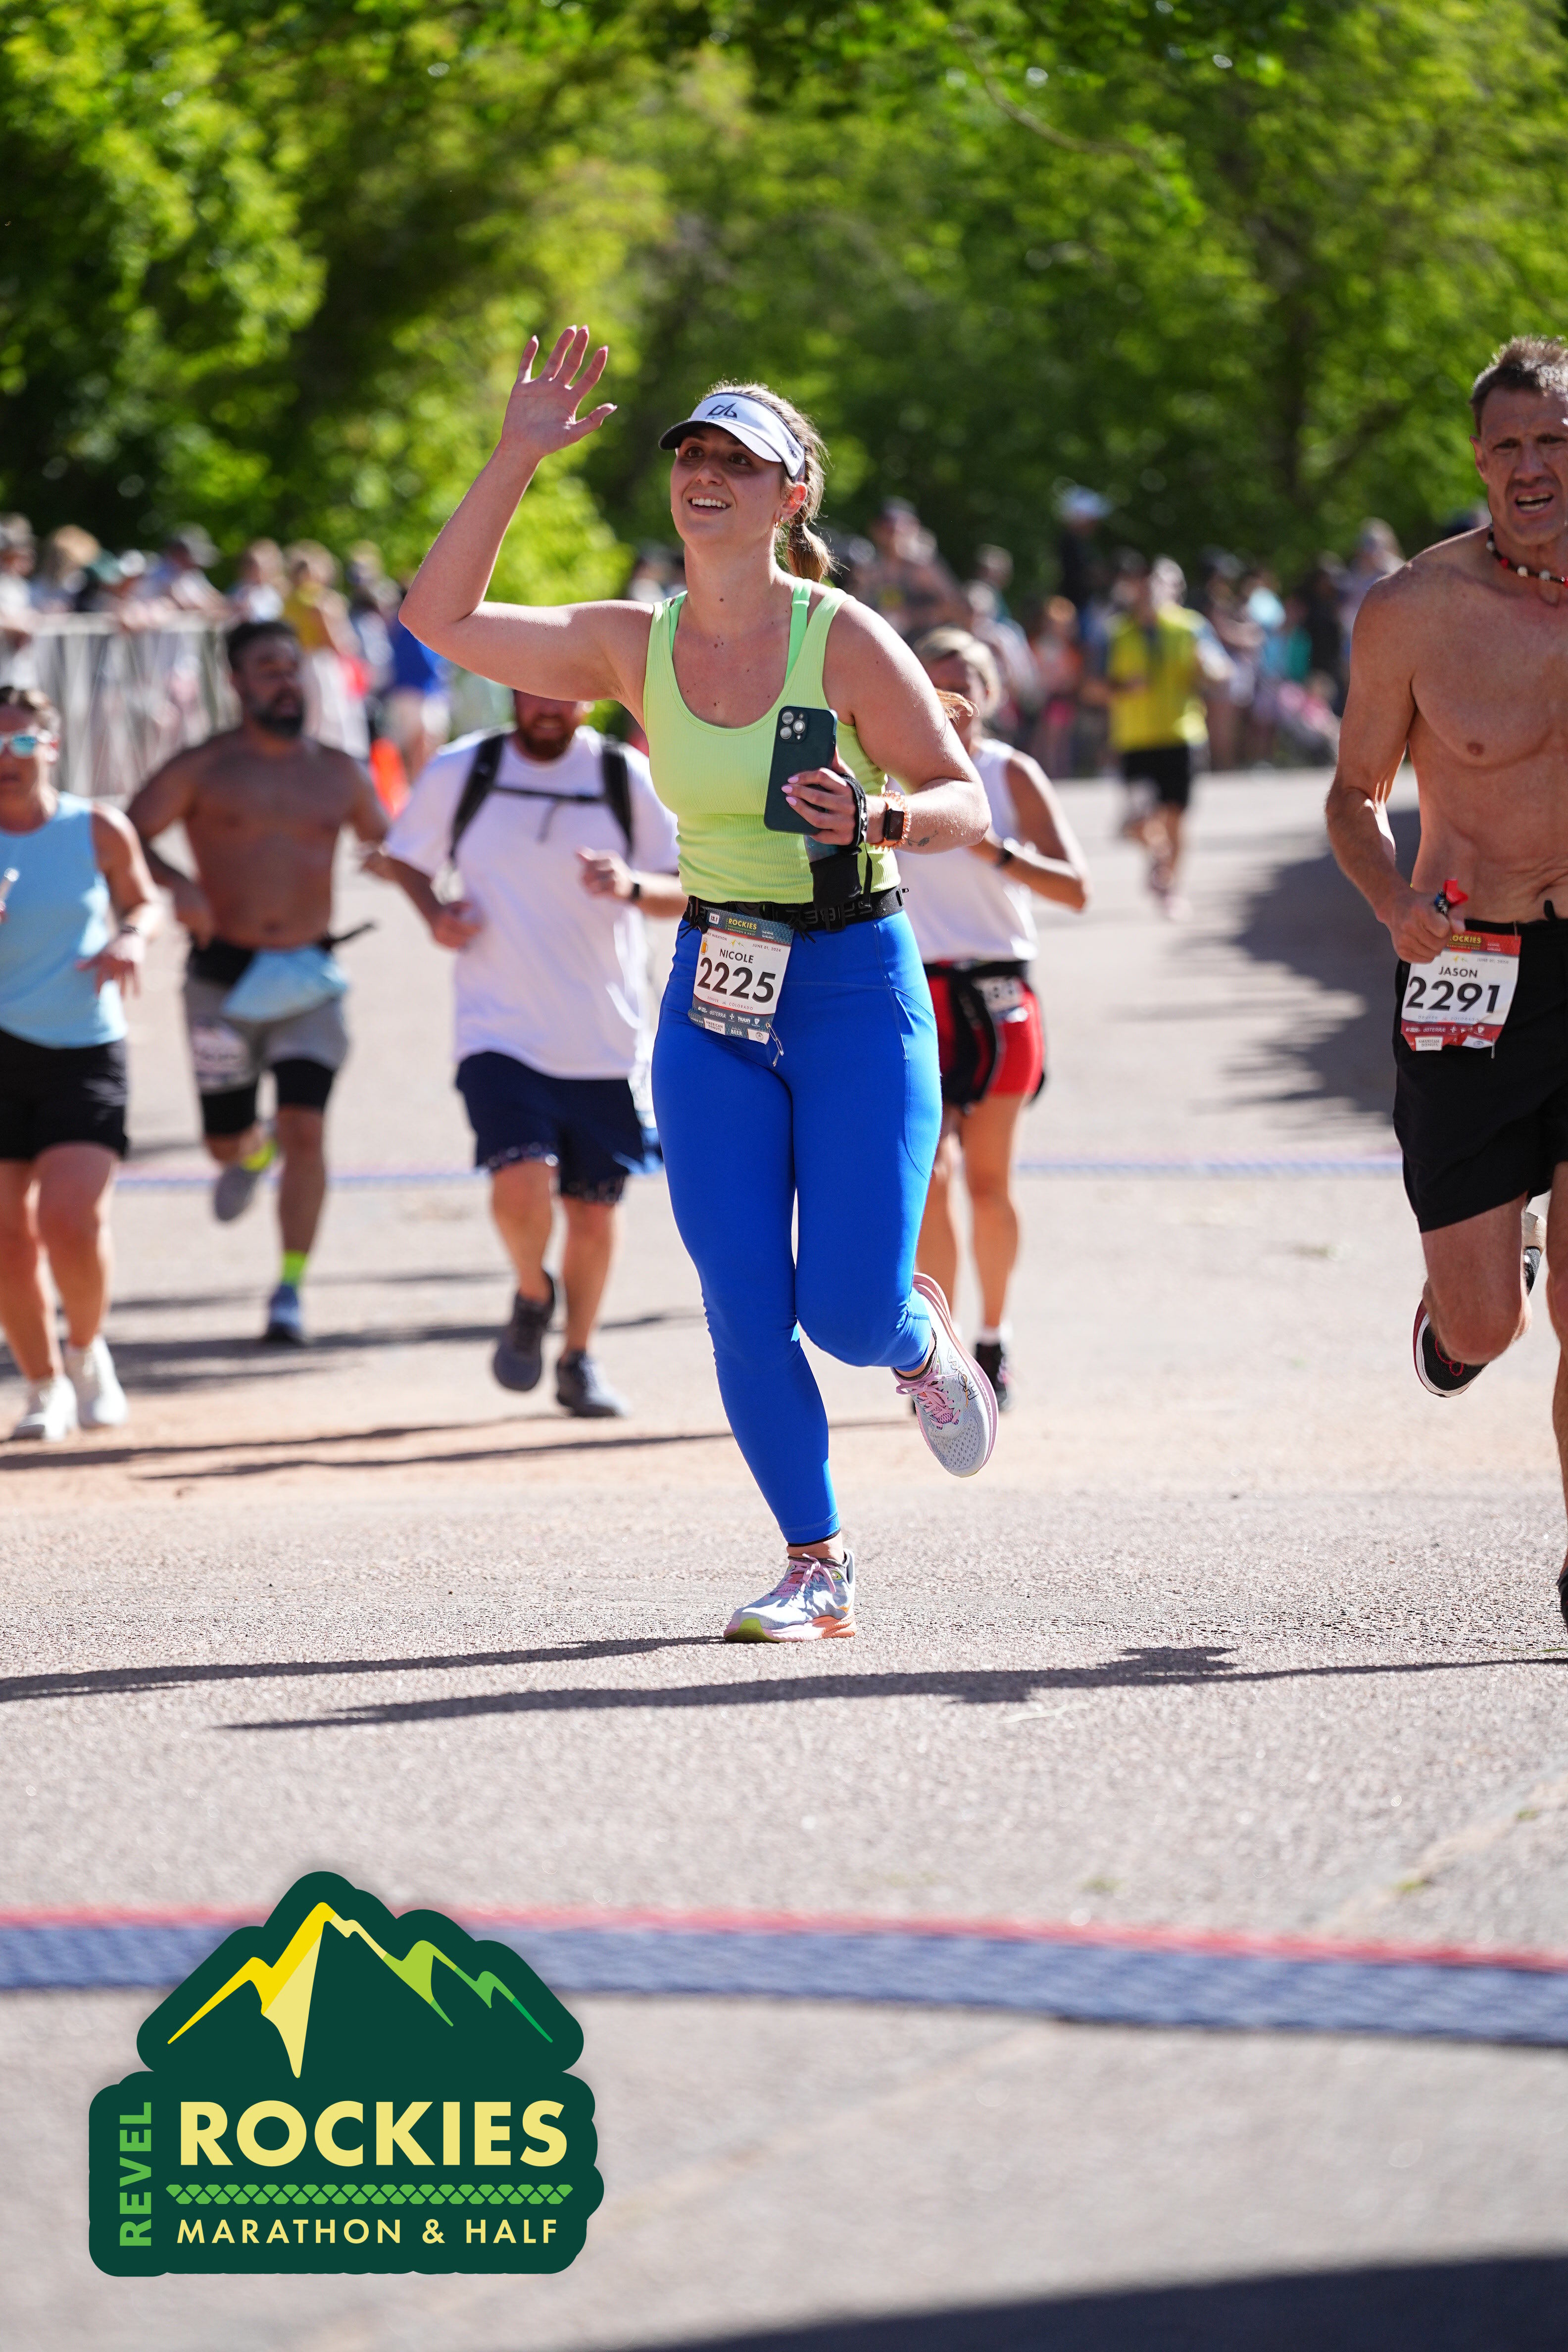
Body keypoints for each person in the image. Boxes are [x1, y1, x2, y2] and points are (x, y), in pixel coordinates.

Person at [401, 329, 996, 1641]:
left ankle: (912, 1338)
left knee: (846, 1310)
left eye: (741, 460)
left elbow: (964, 797)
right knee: (744, 1303)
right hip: (716, 995)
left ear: (793, 496)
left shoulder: (844, 639)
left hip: (854, 981)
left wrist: (882, 820)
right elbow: (436, 621)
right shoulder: (633, 643)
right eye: (693, 455)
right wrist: (516, 457)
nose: (706, 475)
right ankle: (815, 1563)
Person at [1324, 333, 1568, 1630]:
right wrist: (1393, 903)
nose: (1532, 466)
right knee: (1486, 1335)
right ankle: (1468, 1303)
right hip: (1469, 960)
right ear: (1479, 460)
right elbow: (1354, 795)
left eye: (1555, 441)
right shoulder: (1415, 608)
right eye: (1509, 445)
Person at [377, 688, 684, 1415]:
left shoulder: (622, 776)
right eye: (532, 693)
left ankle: (579, 1357)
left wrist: (631, 886)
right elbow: (405, 856)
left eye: (563, 696)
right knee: (521, 1177)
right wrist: (434, 914)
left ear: (589, 700)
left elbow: (690, 887)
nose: (547, 707)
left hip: (605, 1037)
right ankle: (532, 1288)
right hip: (498, 1029)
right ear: (512, 692)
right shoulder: (466, 768)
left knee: (593, 1213)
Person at [127, 619, 387, 1343]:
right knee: (223, 1142)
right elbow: (124, 835)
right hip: (222, 977)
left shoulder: (338, 772)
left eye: (292, 668)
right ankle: (249, 1149)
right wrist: (177, 885)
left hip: (308, 977)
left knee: (308, 1128)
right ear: (237, 683)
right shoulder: (204, 768)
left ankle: (290, 1288)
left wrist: (416, 874)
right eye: (268, 669)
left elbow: (394, 842)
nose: (285, 682)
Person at [904, 629, 1090, 1409]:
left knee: (987, 1183)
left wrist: (996, 853)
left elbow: (1076, 887)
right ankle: (938, 1350)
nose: (954, 702)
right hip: (915, 995)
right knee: (929, 1178)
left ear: (993, 693)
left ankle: (994, 1334)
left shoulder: (1009, 774)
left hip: (999, 993)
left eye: (968, 684)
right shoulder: (892, 775)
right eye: (936, 685)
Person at [0, 686, 159, 1438]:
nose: (6, 758)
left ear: (51, 747)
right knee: (7, 1239)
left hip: (83, 1045)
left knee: (72, 1221)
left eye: (22, 742)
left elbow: (144, 902)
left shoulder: (95, 827)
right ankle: (43, 1387)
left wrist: (130, 937)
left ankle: (88, 1352)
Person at [1086, 554, 1209, 917]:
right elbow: (1091, 689)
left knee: (1175, 818)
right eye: (1145, 582)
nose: (1152, 589)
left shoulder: (1192, 627)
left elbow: (1221, 671)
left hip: (1182, 734)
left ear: (1175, 589)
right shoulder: (1115, 633)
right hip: (1135, 740)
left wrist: (1210, 670)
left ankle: (1171, 889)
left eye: (1161, 582)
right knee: (1137, 822)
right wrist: (1123, 688)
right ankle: (1159, 857)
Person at [384, 596, 452, 782]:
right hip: (419, 696)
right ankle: (420, 788)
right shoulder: (415, 627)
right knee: (421, 748)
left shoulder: (397, 626)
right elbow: (428, 665)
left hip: (408, 694)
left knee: (416, 749)